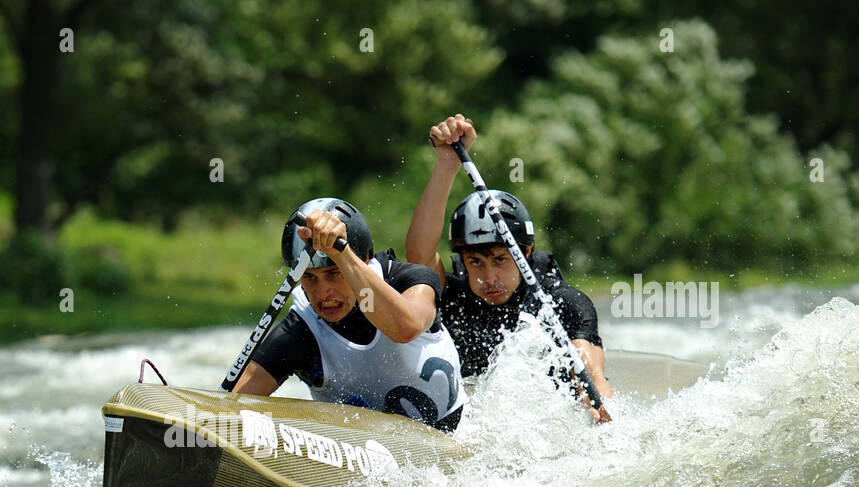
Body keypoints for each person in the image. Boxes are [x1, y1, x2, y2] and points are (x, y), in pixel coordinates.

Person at [405, 114, 612, 406]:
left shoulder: (562, 304)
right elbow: (419, 256)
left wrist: (599, 409)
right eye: (475, 262)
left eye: (500, 260)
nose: (489, 278)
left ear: (525, 253)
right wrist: (446, 164)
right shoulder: (454, 297)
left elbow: (594, 379)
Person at [228, 197, 466, 433]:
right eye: (310, 277)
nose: (323, 294)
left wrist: (341, 254)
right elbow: (233, 405)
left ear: (364, 260)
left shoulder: (409, 280)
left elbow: (405, 329)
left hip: (456, 436)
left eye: (334, 273)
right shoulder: (302, 329)